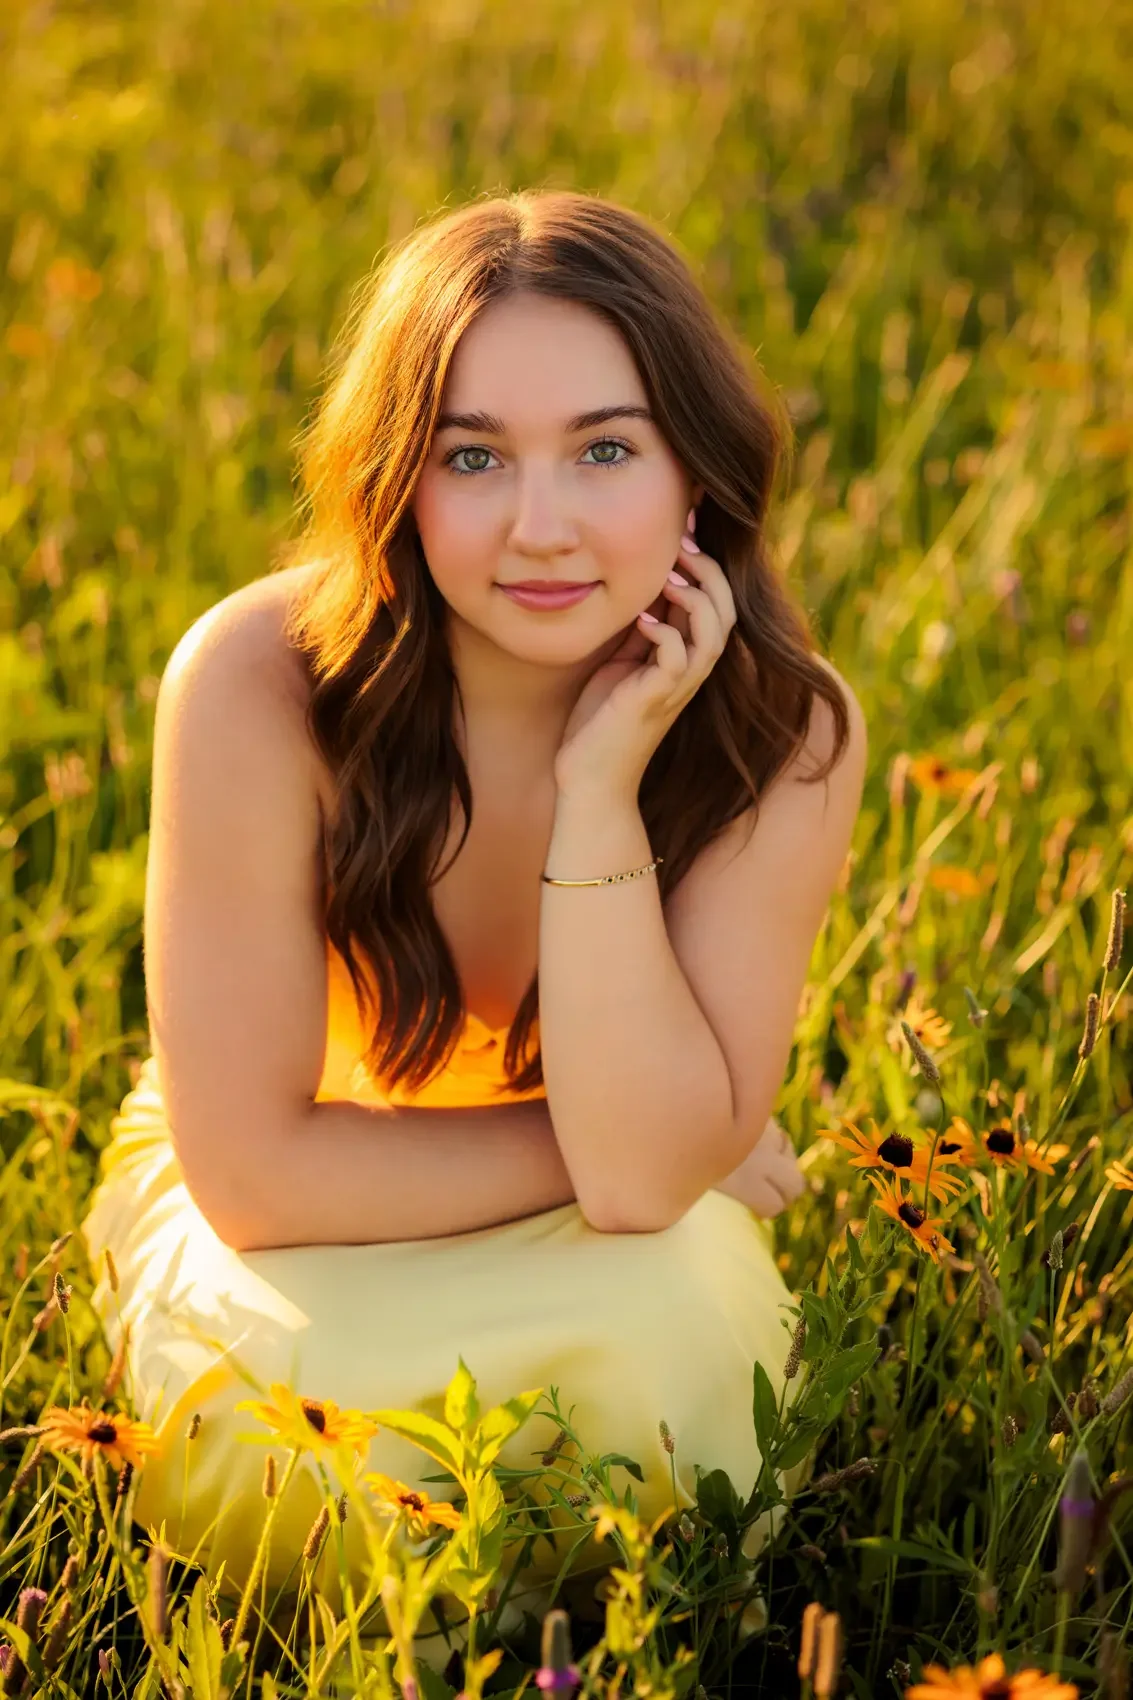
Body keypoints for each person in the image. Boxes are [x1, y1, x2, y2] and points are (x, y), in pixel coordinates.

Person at [80, 189, 866, 1658]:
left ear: (697, 469)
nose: (541, 526)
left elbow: (637, 1195)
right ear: (398, 478)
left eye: (607, 448)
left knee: (678, 1365)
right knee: (284, 1430)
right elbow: (257, 1172)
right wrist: (651, 1138)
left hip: (599, 1224)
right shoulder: (259, 677)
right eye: (474, 455)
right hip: (298, 1207)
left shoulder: (783, 731)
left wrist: (599, 790)